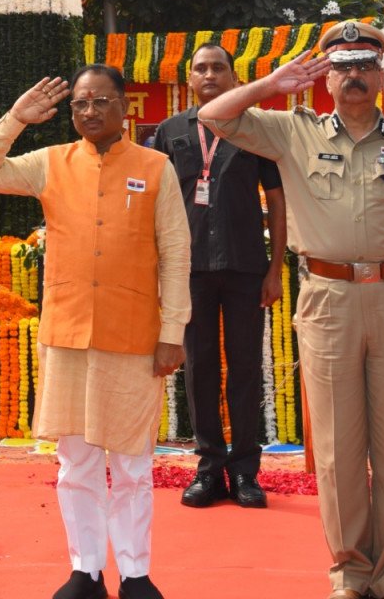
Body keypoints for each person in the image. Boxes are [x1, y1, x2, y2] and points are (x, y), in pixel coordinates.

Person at [198, 20, 384, 599]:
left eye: (364, 65)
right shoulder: (293, 132)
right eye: (341, 66)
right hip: (328, 300)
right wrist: (271, 84)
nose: (354, 75)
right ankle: (349, 572)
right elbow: (213, 116)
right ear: (326, 79)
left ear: (380, 76)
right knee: (337, 448)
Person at [0, 65, 190, 599]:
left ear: (124, 108)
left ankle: (134, 574)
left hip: (134, 334)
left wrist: (173, 331)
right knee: (75, 463)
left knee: (132, 464)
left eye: (101, 101)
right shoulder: (52, 163)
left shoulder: (155, 167)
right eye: (80, 104)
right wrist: (16, 118)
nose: (90, 111)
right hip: (67, 333)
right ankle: (85, 570)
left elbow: (177, 252)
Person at [154, 43, 285, 511]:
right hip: (189, 270)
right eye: (201, 68)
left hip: (246, 267)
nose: (209, 75)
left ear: (233, 77)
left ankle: (246, 470)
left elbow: (277, 201)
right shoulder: (170, 132)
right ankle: (209, 468)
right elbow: (155, 204)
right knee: (200, 368)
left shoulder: (254, 129)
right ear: (190, 79)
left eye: (218, 68)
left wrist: (275, 269)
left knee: (245, 367)